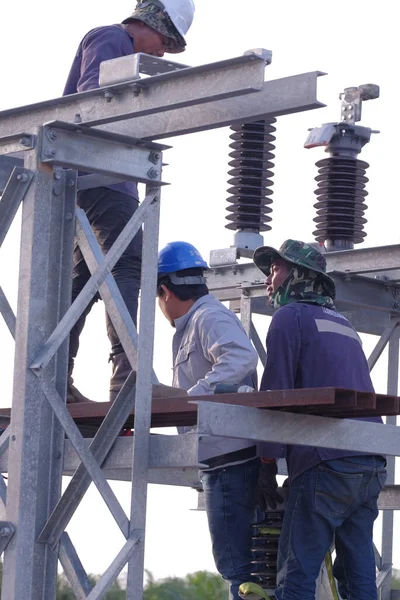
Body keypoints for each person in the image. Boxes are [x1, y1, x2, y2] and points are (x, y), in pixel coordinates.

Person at [63, 0, 195, 403]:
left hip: (95, 179)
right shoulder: (110, 38)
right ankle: (129, 377)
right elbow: (95, 100)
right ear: (150, 21)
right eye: (165, 41)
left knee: (81, 284)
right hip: (103, 179)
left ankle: (56, 378)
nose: (161, 51)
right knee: (127, 265)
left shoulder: (122, 46)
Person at [252, 239, 387, 600]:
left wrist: (266, 460)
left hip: (325, 463)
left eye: (276, 269)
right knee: (359, 575)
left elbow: (276, 395)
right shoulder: (343, 323)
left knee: (297, 573)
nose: (268, 278)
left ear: (298, 274)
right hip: (369, 462)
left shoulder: (289, 317)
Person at [157, 241, 282, 600]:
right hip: (222, 456)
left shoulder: (207, 317)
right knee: (242, 568)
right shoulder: (196, 322)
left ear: (164, 290)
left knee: (237, 569)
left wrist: (195, 395)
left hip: (229, 458)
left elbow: (242, 357)